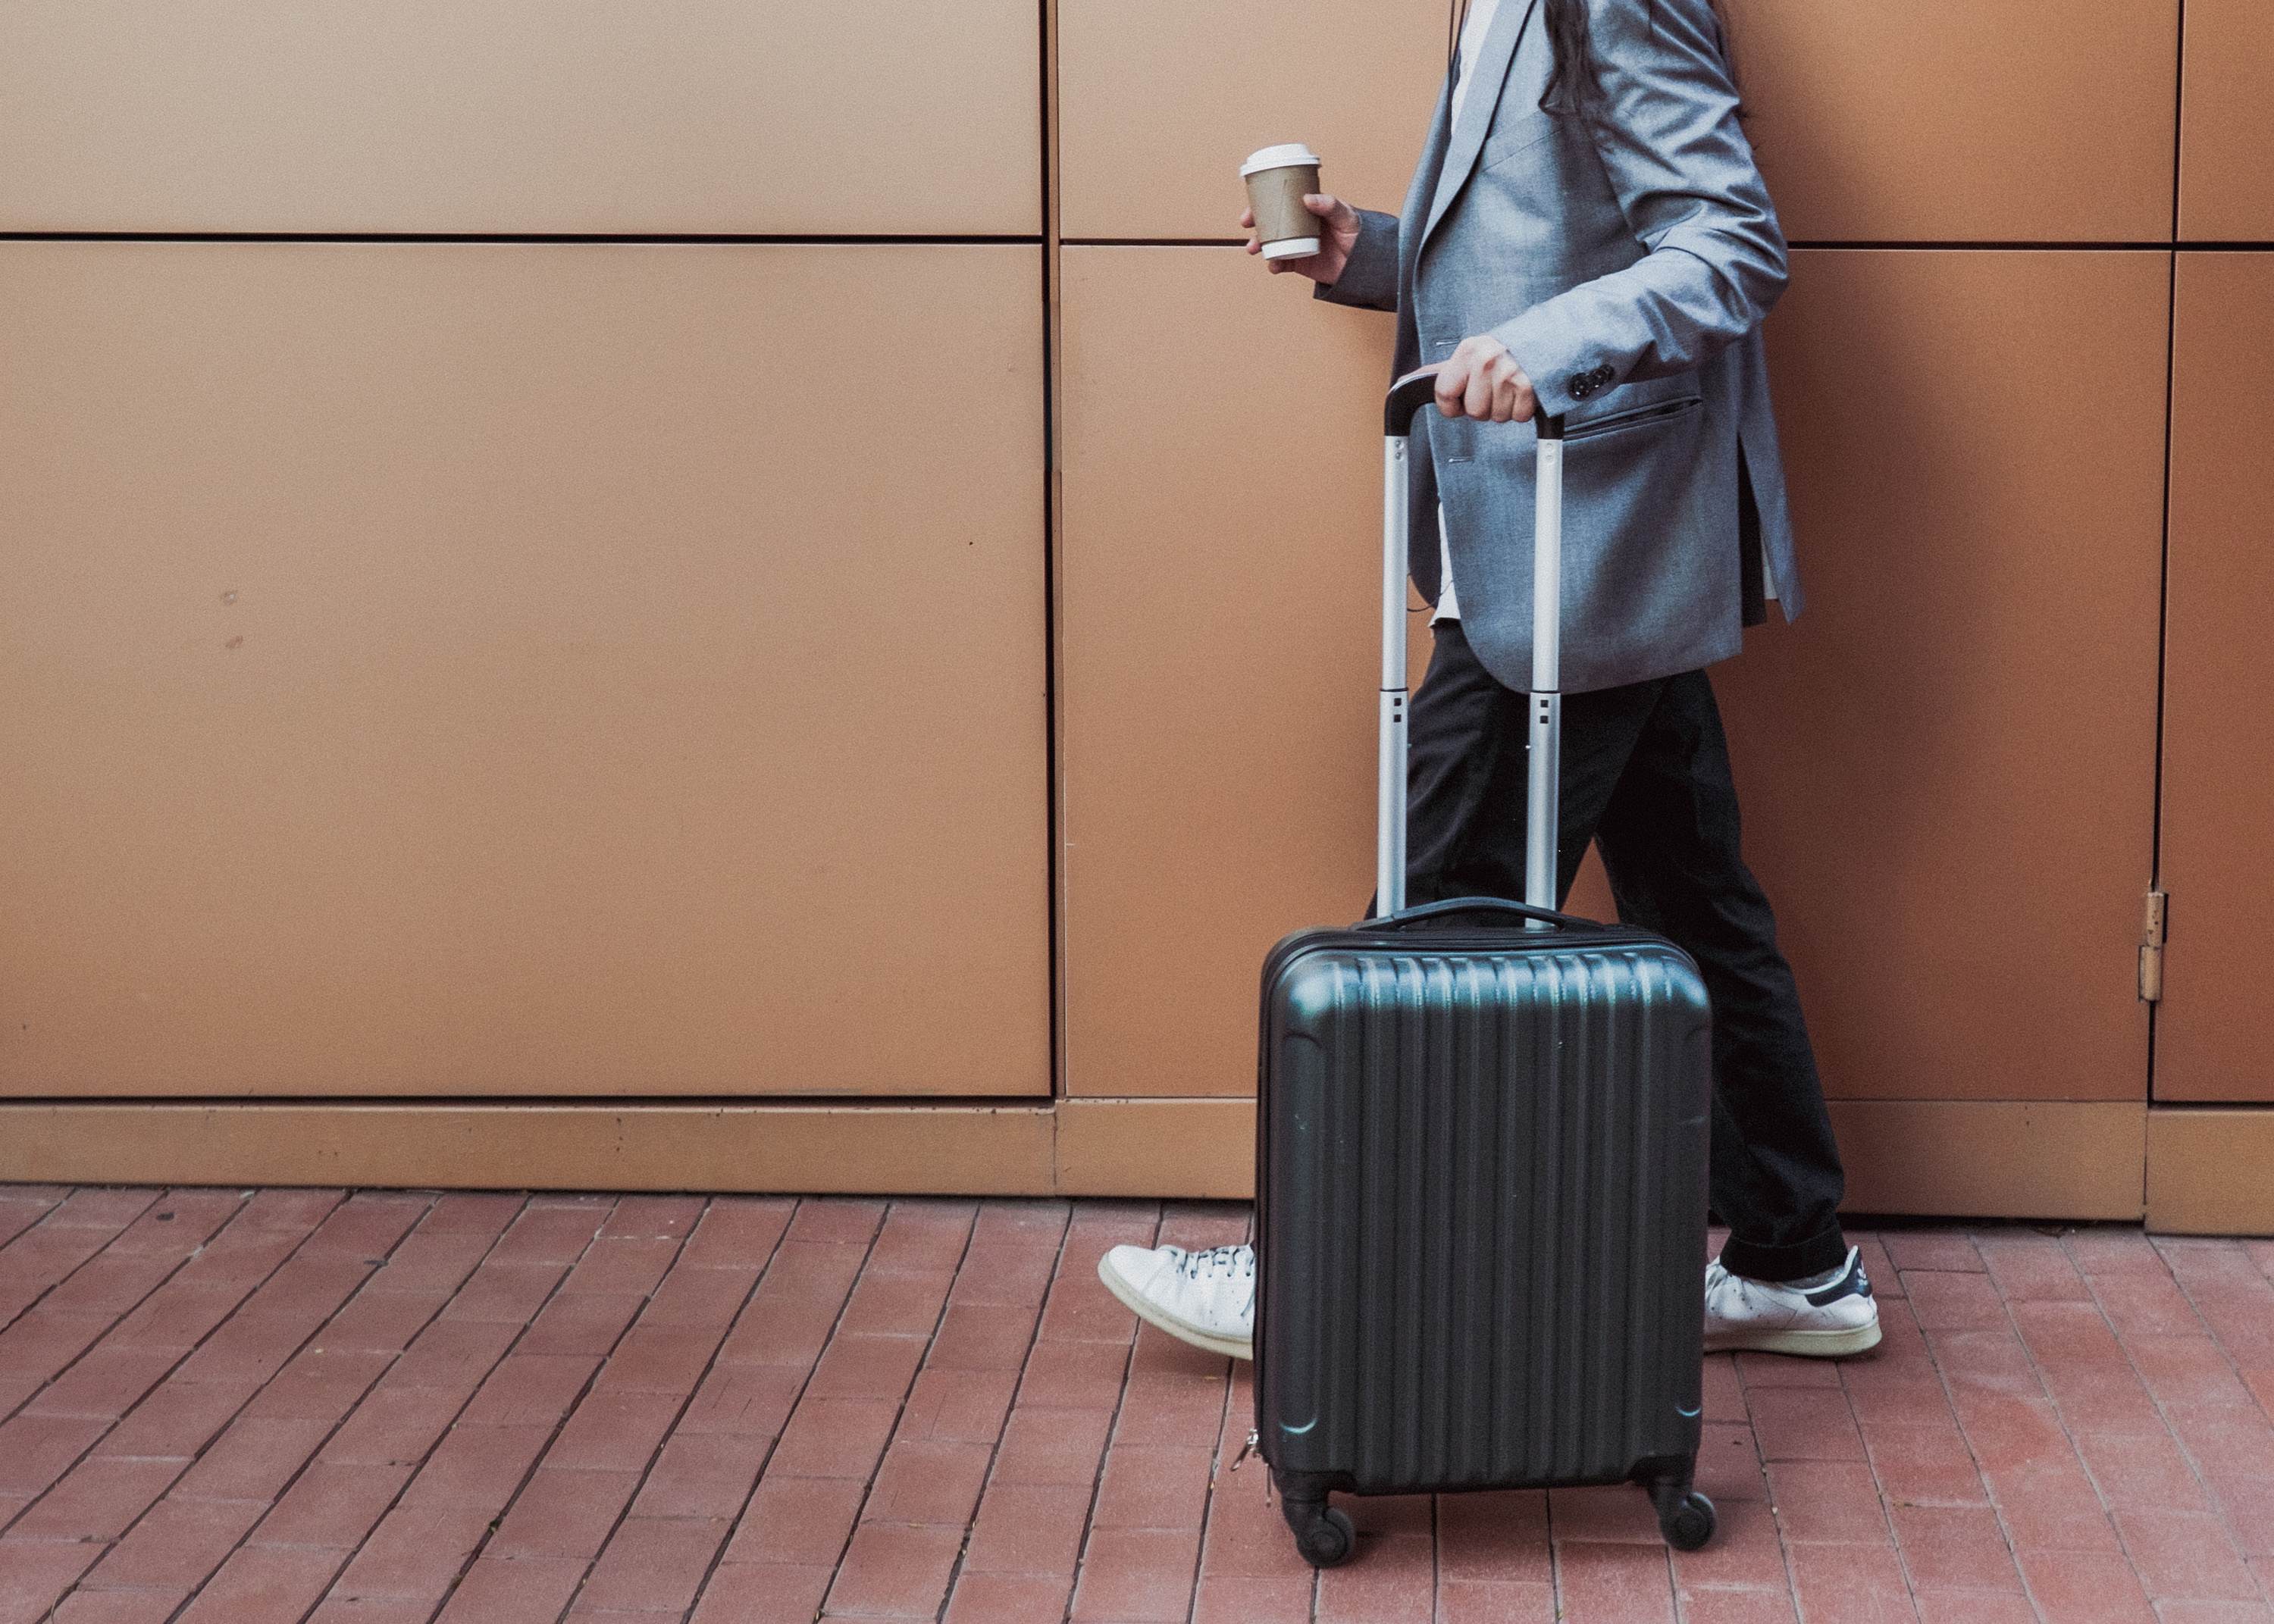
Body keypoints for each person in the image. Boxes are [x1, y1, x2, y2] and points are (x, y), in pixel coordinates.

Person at [1098, 0, 1879, 1363]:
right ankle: (1797, 1258)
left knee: (1418, 926)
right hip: (1574, 545)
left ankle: (1308, 1280)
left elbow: (1732, 242)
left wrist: (1550, 351)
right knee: (1695, 904)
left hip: (1580, 544)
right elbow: (1528, 247)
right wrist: (1374, 259)